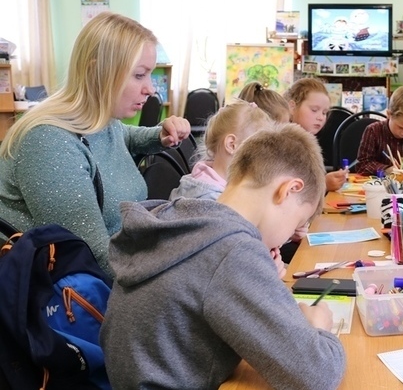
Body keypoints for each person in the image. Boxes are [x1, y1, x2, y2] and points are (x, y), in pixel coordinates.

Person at [100, 124, 345, 390]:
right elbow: (317, 376)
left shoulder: (178, 219)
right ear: (289, 189)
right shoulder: (232, 250)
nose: (286, 237)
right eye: (297, 221)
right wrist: (320, 328)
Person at [0, 12, 191, 275]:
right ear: (96, 72)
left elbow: (123, 136)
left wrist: (159, 136)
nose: (150, 88)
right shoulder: (50, 142)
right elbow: (90, 257)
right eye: (139, 75)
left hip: (116, 258)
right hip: (60, 286)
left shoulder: (100, 120)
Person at [170, 101, 273, 200]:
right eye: (260, 149)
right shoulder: (211, 199)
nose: (265, 159)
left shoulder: (203, 180)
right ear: (232, 145)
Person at [284, 77, 347, 192]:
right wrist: (324, 184)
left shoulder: (306, 142)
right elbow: (288, 189)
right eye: (314, 110)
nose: (321, 117)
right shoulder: (284, 145)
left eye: (324, 112)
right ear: (292, 107)